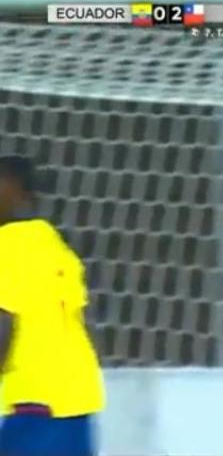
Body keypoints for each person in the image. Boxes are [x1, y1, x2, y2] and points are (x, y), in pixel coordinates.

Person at [0, 155, 104, 456]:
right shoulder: (51, 242)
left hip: (36, 400)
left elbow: (3, 321)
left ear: (15, 190)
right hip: (75, 398)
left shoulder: (9, 244)